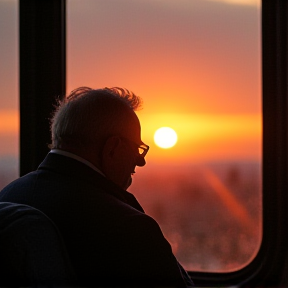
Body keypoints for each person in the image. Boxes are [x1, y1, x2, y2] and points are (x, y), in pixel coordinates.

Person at [0, 87, 194, 287]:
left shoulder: (8, 196)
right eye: (137, 149)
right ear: (113, 148)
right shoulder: (130, 227)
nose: (140, 162)